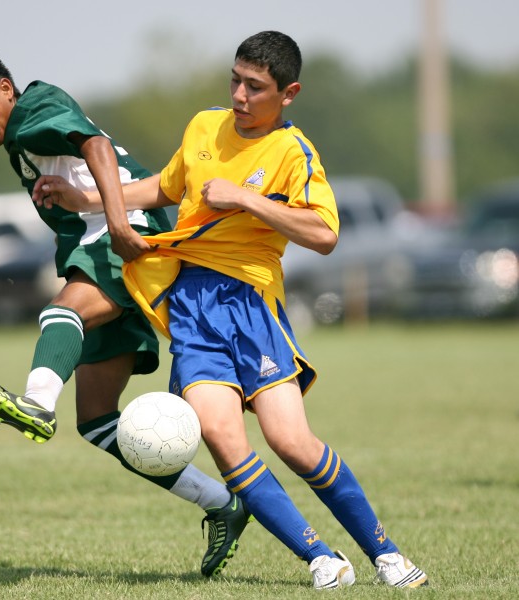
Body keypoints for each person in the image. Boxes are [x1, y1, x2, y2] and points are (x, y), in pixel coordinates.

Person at [36, 30, 429, 590]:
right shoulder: (203, 126)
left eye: (256, 86)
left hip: (251, 305)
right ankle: (320, 558)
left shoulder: (294, 153)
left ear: (288, 93)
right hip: (193, 307)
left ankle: (386, 553)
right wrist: (90, 200)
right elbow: (164, 188)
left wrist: (248, 199)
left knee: (292, 442)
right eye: (236, 80)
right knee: (222, 439)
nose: (240, 95)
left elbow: (325, 234)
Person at [0, 47, 252, 578]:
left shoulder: (34, 109)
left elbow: (97, 145)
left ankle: (37, 404)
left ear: (5, 90)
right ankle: (222, 503)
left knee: (62, 314)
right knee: (98, 419)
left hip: (121, 236)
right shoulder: (22, 140)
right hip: (106, 236)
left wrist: (116, 218)